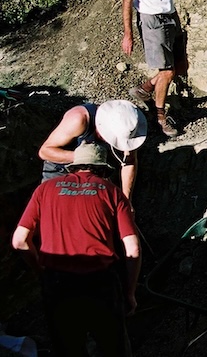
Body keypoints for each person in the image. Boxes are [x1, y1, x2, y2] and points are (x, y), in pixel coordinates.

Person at [12, 142, 141, 357]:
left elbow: (19, 241)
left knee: (69, 349)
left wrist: (41, 273)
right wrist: (129, 292)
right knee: (113, 348)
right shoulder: (112, 192)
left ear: (73, 167)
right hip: (100, 284)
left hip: (58, 285)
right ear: (102, 169)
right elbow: (133, 249)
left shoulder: (44, 189)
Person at [122, 0, 184, 137]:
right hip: (153, 21)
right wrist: (128, 34)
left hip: (170, 16)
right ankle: (160, 117)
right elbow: (128, 0)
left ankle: (145, 89)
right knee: (166, 71)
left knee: (178, 66)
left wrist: (175, 17)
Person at [38, 99, 147, 201]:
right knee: (54, 210)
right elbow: (45, 151)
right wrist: (85, 156)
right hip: (60, 170)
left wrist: (126, 200)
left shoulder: (129, 127)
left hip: (94, 171)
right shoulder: (79, 119)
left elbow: (129, 161)